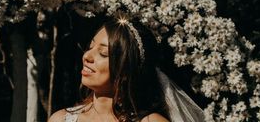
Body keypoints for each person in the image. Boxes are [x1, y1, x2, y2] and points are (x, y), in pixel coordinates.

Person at [48, 16, 204, 122]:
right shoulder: (60, 119)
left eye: (103, 53)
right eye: (90, 47)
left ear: (126, 69)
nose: (87, 56)